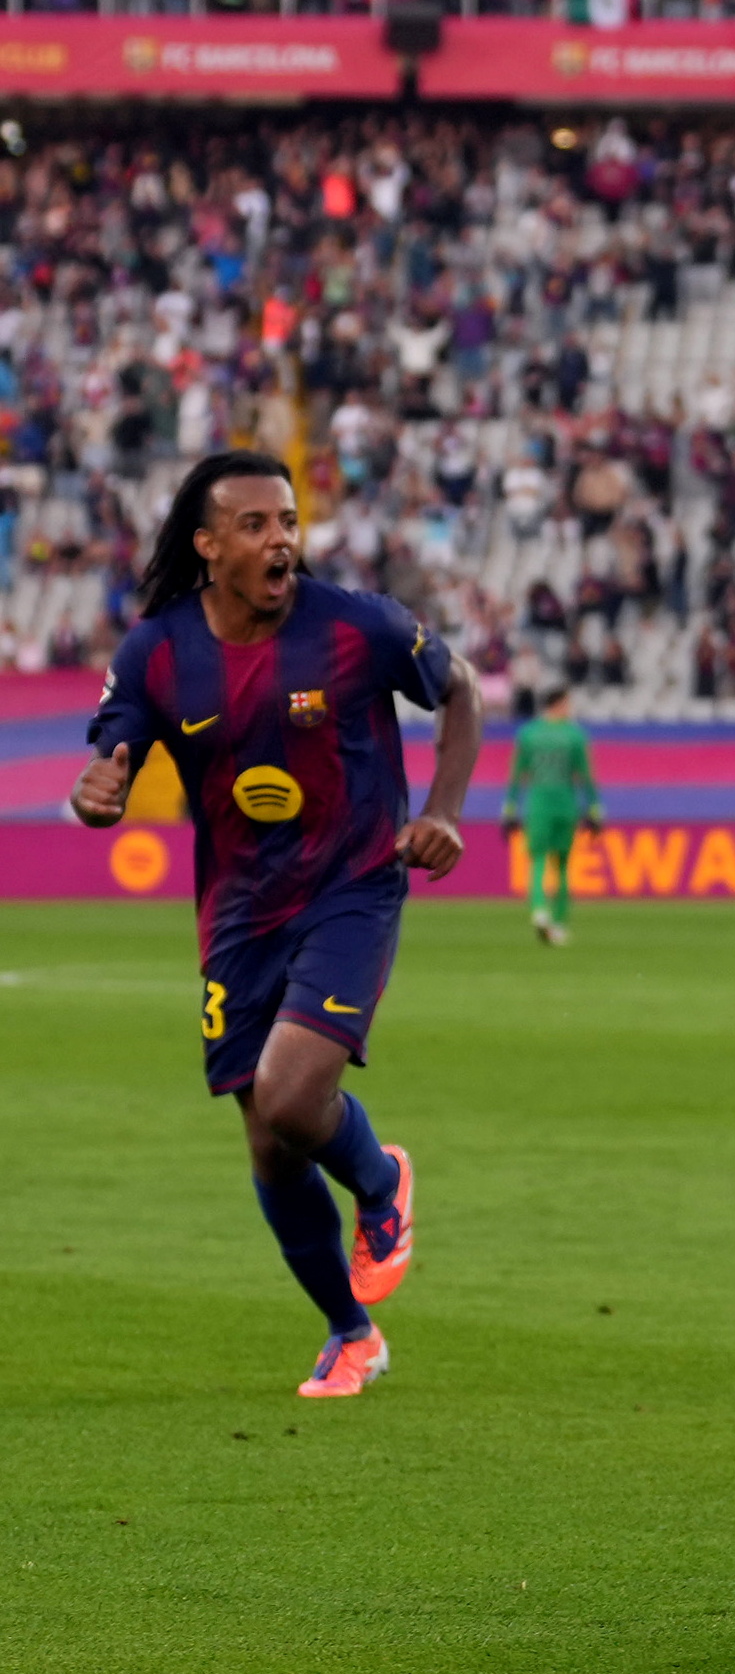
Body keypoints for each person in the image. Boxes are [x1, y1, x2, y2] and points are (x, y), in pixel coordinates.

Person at [69, 449, 479, 1399]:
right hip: (240, 913)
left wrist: (445, 809)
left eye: (288, 520)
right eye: (255, 525)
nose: (280, 540)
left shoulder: (357, 625)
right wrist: (104, 786)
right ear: (209, 547)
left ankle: (380, 1181)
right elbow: (114, 750)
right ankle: (350, 1332)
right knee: (266, 1141)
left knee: (295, 1101)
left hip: (352, 885)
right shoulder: (160, 651)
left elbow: (460, 689)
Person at [504, 686, 602, 944]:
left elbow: (517, 775)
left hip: (538, 805)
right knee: (562, 866)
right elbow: (585, 777)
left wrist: (510, 808)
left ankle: (539, 910)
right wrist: (594, 808)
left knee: (537, 862)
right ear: (560, 704)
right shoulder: (574, 735)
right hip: (566, 806)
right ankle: (557, 923)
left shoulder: (528, 734)